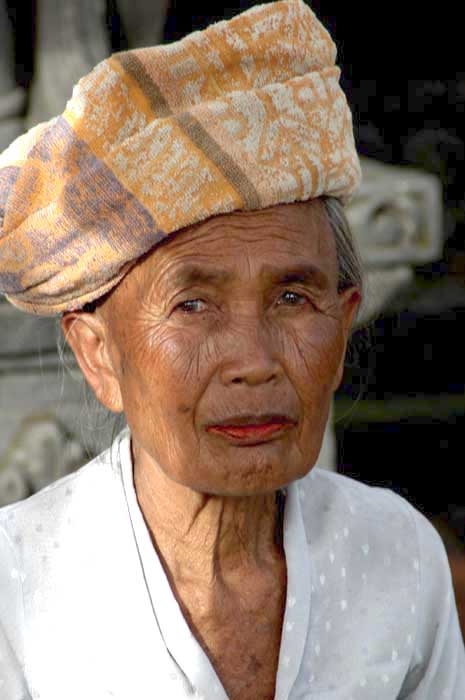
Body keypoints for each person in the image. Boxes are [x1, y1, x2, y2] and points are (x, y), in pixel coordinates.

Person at [0, 1, 463, 698]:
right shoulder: (15, 584)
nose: (253, 360)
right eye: (191, 304)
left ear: (341, 329)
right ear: (98, 354)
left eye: (291, 298)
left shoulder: (398, 557)